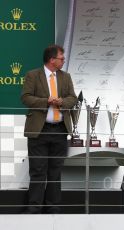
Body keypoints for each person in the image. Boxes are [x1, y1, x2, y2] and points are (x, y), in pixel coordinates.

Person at [21, 45, 77, 214]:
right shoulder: (33, 75)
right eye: (61, 58)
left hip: (60, 130)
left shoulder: (65, 77)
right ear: (52, 60)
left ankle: (53, 206)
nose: (64, 60)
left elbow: (73, 98)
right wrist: (46, 101)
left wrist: (62, 102)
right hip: (40, 130)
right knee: (37, 170)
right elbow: (26, 98)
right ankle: (34, 207)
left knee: (56, 170)